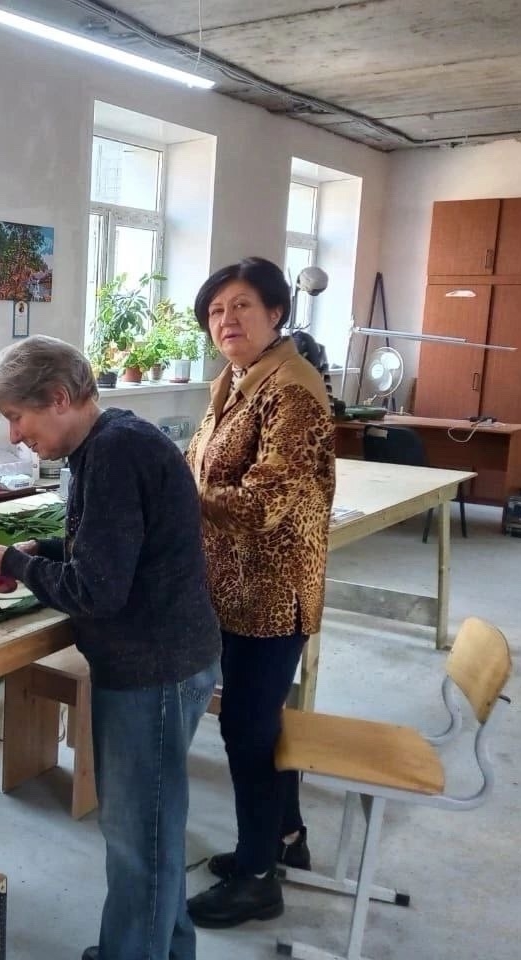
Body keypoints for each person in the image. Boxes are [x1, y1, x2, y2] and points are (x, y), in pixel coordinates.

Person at [0, 336, 221, 960]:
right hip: (170, 659)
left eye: (17, 417)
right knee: (154, 830)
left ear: (59, 398)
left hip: (153, 668)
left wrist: (11, 560)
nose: (15, 436)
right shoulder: (113, 440)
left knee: (138, 838)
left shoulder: (116, 452)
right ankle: (165, 949)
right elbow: (107, 549)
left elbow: (97, 591)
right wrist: (34, 554)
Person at [183, 257, 336, 928]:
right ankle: (282, 838)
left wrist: (182, 498)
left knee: (247, 729)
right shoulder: (238, 379)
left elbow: (266, 502)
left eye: (242, 305)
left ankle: (255, 879)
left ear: (276, 312)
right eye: (217, 311)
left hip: (271, 592)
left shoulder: (292, 389)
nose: (227, 320)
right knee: (258, 720)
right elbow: (202, 460)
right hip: (235, 584)